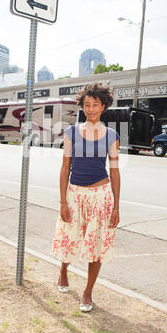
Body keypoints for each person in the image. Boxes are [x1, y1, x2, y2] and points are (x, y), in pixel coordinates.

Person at [52, 83, 120, 312]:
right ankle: (63, 270)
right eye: (87, 105)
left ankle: (88, 291)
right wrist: (63, 201)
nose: (91, 109)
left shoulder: (111, 135)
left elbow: (115, 171)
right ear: (81, 107)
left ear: (103, 107)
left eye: (95, 105)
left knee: (96, 245)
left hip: (101, 196)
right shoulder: (71, 133)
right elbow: (65, 168)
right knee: (69, 238)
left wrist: (116, 207)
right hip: (75, 195)